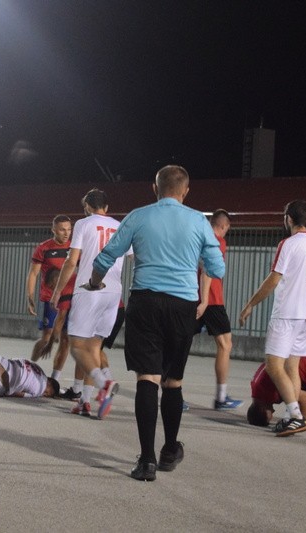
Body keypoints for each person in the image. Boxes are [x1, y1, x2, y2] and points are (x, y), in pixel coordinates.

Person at [89, 165, 225, 482]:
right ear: (185, 191)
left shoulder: (138, 216)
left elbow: (106, 256)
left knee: (147, 378)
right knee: (173, 381)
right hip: (182, 306)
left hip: (145, 302)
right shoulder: (198, 221)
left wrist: (95, 283)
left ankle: (146, 461)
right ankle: (169, 451)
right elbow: (217, 269)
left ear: (155, 188)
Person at [238, 199, 306, 437]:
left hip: (287, 314)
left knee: (273, 365)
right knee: (291, 367)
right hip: (305, 317)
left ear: (289, 218)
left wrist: (250, 304)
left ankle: (296, 416)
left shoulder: (288, 244)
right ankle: (290, 417)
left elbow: (274, 279)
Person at [50, 189, 127, 419]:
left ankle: (105, 384)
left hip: (90, 289)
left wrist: (57, 291)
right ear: (106, 207)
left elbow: (71, 261)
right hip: (114, 292)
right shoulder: (120, 226)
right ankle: (85, 401)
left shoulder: (84, 224)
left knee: (76, 346)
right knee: (94, 348)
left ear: (87, 207)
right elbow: (134, 256)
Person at [25, 215, 82, 398]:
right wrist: (30, 296)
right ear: (54, 230)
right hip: (50, 299)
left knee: (65, 340)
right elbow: (33, 274)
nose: (66, 233)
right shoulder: (44, 248)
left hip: (70, 299)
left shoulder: (74, 248)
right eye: (62, 229)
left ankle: (54, 380)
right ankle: (27, 370)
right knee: (47, 338)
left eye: (69, 229)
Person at [196, 209, 241, 410]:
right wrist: (206, 300)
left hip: (194, 297)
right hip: (211, 300)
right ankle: (221, 398)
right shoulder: (218, 242)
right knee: (225, 344)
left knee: (179, 343)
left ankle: (171, 391)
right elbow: (208, 271)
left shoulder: (200, 239)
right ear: (223, 226)